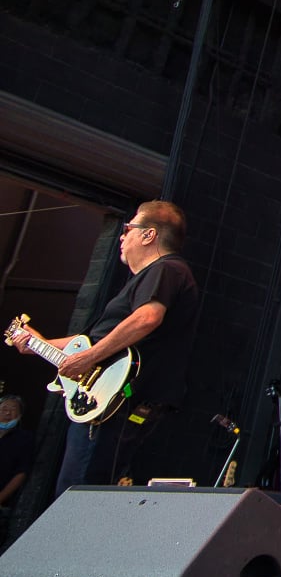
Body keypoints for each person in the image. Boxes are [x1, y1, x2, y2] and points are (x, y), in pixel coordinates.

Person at [11, 200, 199, 494]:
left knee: (77, 492)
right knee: (79, 489)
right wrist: (38, 343)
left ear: (149, 235)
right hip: (108, 397)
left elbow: (147, 318)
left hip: (118, 400)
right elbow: (89, 342)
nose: (122, 237)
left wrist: (88, 358)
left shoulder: (167, 269)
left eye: (128, 228)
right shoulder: (154, 276)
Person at [0, 394, 30, 512]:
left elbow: (21, 472)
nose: (8, 413)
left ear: (19, 416)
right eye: (4, 409)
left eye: (13, 410)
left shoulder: (24, 439)